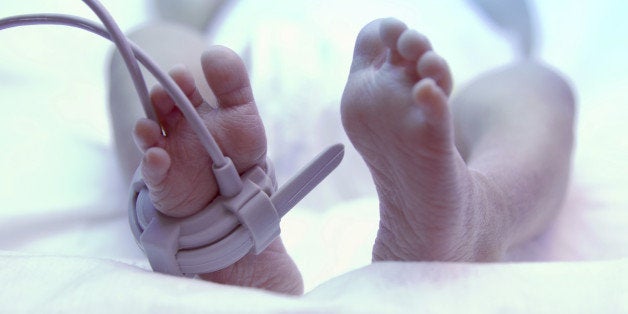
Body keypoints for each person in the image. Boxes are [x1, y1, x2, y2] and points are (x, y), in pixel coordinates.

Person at [125, 17, 574, 295]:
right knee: (149, 41)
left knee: (533, 83)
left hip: (429, 121)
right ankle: (200, 217)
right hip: (233, 116)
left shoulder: (486, 16)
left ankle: (476, 212)